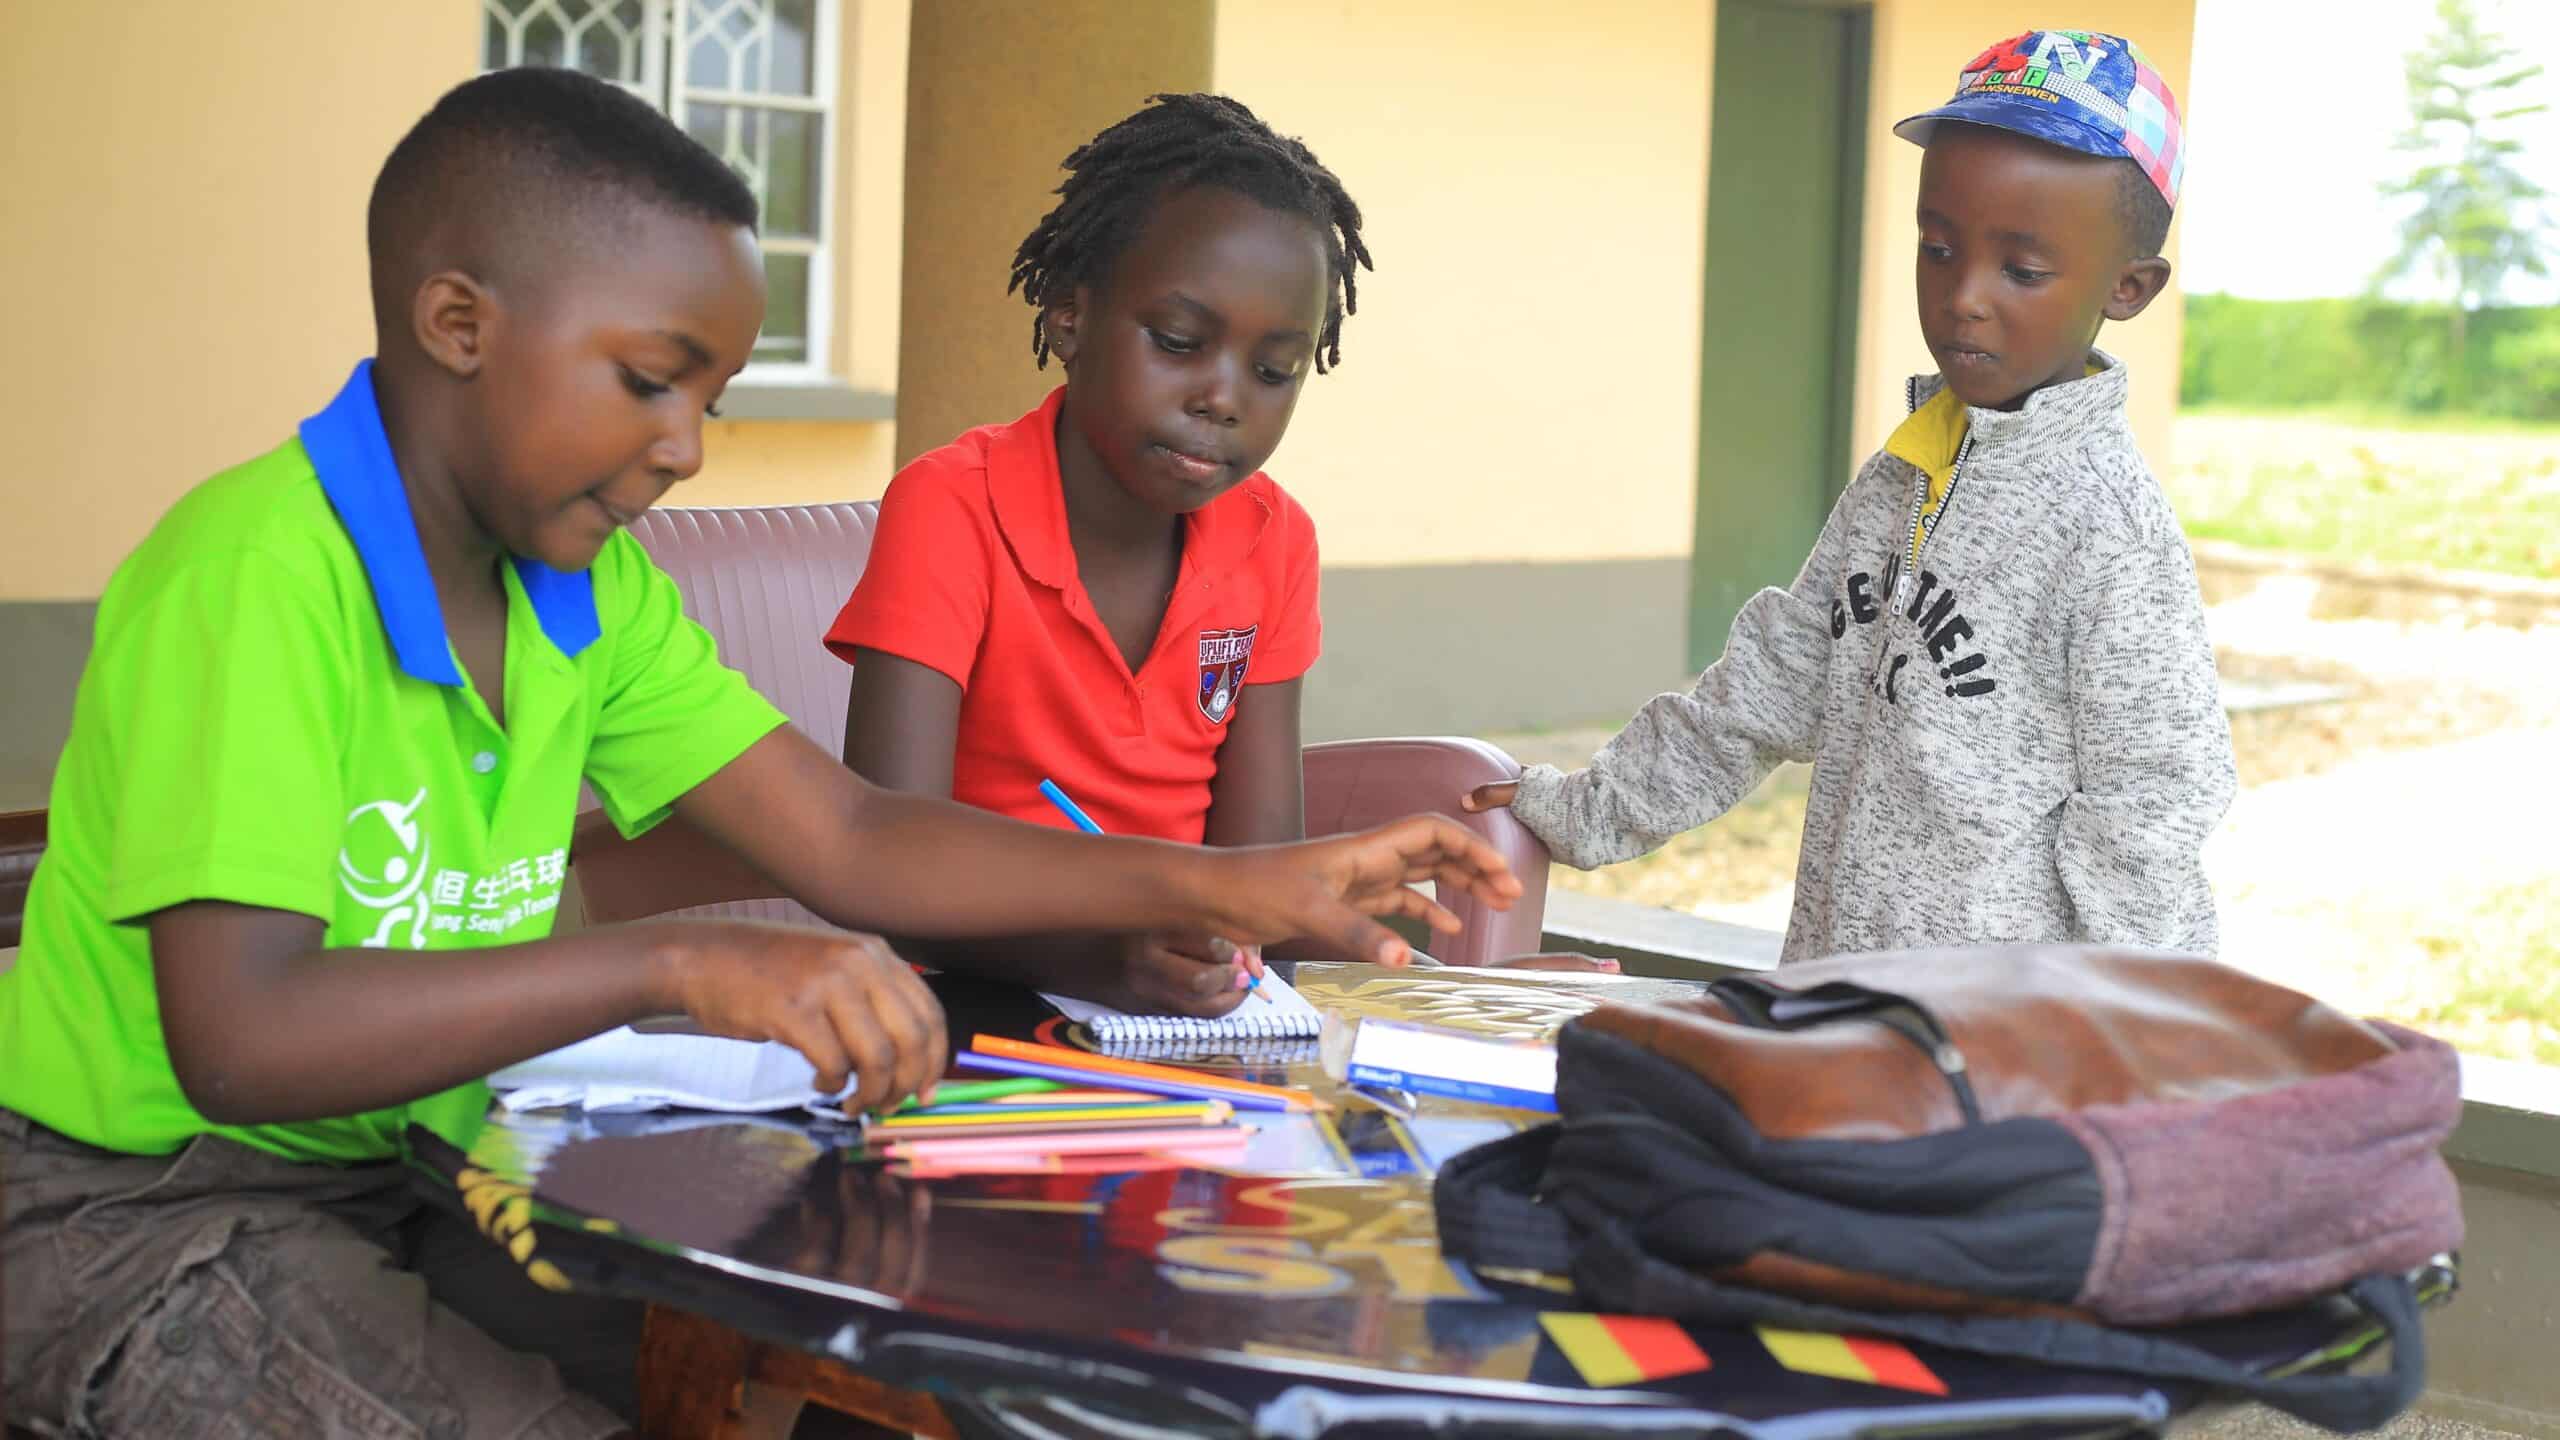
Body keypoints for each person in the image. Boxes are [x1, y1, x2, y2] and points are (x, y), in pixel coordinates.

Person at [0, 69, 1517, 1440]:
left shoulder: (585, 592)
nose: (687, 447)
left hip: (413, 1169)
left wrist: (1248, 888)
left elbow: (855, 836)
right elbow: (243, 1037)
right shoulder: (255, 576)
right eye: (650, 382)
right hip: (140, 1214)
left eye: (711, 400)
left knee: (852, 1390)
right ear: (459, 325)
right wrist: (675, 964)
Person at [1470, 30, 2235, 964]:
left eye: (2021, 270)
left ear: (2129, 287)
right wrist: (1579, 814)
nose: (1963, 296)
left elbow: (2156, 800)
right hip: (1836, 991)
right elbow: (1772, 682)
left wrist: (2128, 1027)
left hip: (1994, 1038)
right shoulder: (1902, 475)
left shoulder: (2111, 533)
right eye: (1939, 248)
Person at [830, 94, 1602, 1016]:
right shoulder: (953, 506)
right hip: (960, 1008)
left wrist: (1455, 997)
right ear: (1070, 318)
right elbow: (885, 862)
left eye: (1275, 371)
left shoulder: (1275, 540)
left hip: (1187, 1016)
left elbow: (1257, 875)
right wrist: (1107, 958)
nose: (1224, 398)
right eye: (1180, 343)